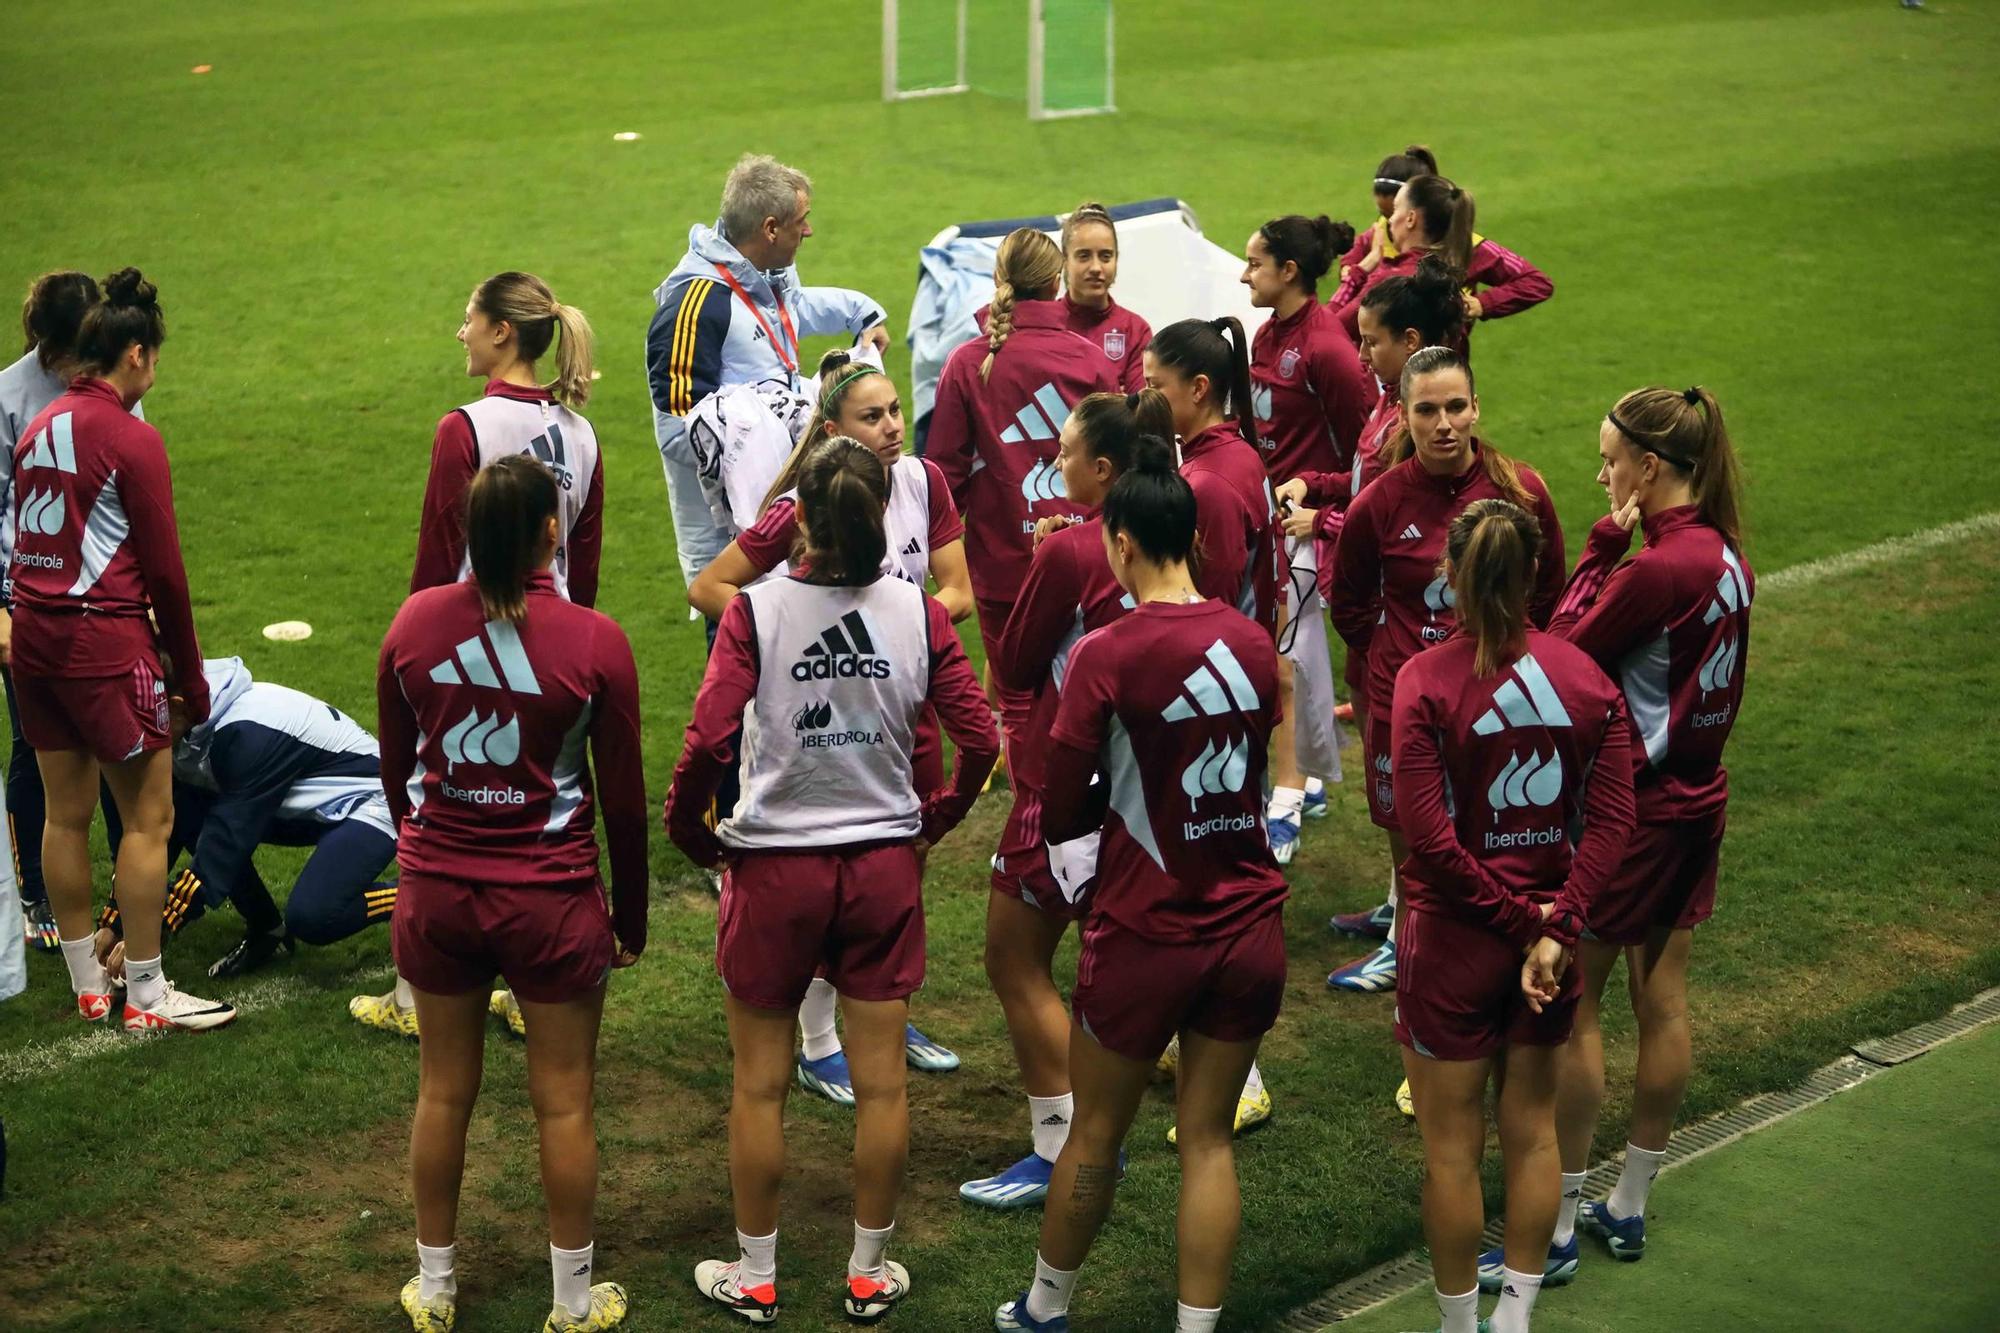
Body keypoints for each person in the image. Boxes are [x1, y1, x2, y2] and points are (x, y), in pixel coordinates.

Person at [664, 436, 998, 1326]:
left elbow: (704, 741)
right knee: (883, 1085)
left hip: (775, 868)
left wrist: (694, 839)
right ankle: (866, 1272)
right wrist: (936, 819)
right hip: (882, 867)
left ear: (798, 518)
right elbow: (984, 739)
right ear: (884, 513)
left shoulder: (755, 610)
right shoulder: (919, 612)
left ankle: (758, 1276)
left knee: (759, 1084)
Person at [991, 448, 1285, 1333]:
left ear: (1119, 544)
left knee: (1095, 1137)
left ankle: (1046, 1307)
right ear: (1191, 538)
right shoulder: (1253, 642)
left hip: (1145, 932)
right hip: (1248, 924)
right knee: (1207, 1138)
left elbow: (1063, 793)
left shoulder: (1106, 654)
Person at [1474, 387, 1750, 1289]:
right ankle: (1627, 1203)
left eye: (1612, 460)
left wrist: (1597, 548)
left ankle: (1553, 1226)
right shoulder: (1726, 553)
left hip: (1634, 810)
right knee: (1661, 998)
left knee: (1574, 1008)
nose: (1604, 473)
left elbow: (1558, 650)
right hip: (1701, 798)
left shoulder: (1656, 570)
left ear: (1653, 469)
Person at [380, 455, 647, 1333]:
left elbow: (396, 773)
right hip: (551, 899)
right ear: (547, 531)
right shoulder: (596, 641)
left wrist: (427, 853)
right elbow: (623, 801)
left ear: (465, 530)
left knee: (441, 1091)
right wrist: (631, 916)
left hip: (439, 893)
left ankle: (436, 1287)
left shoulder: (414, 625)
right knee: (564, 1098)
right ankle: (572, 1302)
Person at [690, 349, 973, 1101]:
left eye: (894, 412)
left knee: (895, 872)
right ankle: (819, 1041)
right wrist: (787, 639)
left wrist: (900, 637)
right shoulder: (801, 508)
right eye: (871, 417)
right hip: (831, 710)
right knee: (825, 859)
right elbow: (710, 585)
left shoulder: (922, 481)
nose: (890, 428)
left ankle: (874, 1008)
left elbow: (960, 588)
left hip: (904, 711)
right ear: (833, 432)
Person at [1391, 498, 1636, 1333]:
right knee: (1533, 1135)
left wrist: (1514, 921)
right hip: (1547, 953)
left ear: (1450, 576)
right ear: (1535, 576)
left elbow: (1426, 836)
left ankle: (1461, 1326)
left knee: (1452, 1152)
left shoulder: (1422, 680)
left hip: (1455, 943)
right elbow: (1611, 823)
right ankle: (1516, 1318)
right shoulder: (1586, 679)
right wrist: (1555, 926)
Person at [7, 267, 233, 1033]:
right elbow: (165, 573)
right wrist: (190, 679)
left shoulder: (39, 427)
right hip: (103, 645)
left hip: (32, 644)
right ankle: (145, 993)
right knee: (148, 818)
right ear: (134, 354)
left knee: (64, 817)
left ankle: (86, 985)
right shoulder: (132, 438)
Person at [1326, 346, 1565, 998]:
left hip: (1494, 705)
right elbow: (1348, 601)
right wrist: (1395, 662)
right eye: (1427, 409)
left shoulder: (1520, 490)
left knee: (1488, 837)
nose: (1444, 424)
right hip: (1407, 704)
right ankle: (1406, 949)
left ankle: (1478, 958)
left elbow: (1549, 596)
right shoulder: (1378, 502)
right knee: (1411, 839)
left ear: (1476, 407)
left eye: (1456, 406)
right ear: (1403, 415)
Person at [961, 392, 1148, 1208]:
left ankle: (1067, 1144)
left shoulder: (1072, 553)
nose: (1053, 463)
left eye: (1065, 452)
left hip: (1064, 785)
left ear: (1101, 470)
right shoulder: (1173, 537)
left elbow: (1018, 657)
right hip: (1146, 788)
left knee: (1014, 954)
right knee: (1117, 962)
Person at [1279, 256, 1468, 941]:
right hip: (1374, 626)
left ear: (1410, 343)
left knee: (1408, 793)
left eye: (1371, 340)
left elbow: (1397, 522)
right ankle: (1400, 907)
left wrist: (1320, 521)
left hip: (1403, 631)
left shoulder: (1412, 421)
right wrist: (1319, 485)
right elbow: (1363, 489)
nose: (1360, 351)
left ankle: (1410, 936)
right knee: (1389, 792)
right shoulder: (1388, 407)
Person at [646, 153, 890, 596]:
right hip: (732, 538)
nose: (809, 230)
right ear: (771, 229)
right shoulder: (696, 303)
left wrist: (862, 312)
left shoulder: (762, 274)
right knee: (743, 646)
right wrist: (773, 428)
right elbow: (678, 432)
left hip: (787, 505)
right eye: (802, 220)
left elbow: (793, 312)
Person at [927, 227, 1122, 772]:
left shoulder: (968, 363)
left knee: (1017, 709)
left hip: (1001, 564)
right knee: (1095, 697)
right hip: (1092, 556)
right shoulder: (1091, 361)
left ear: (998, 280)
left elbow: (945, 474)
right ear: (1057, 280)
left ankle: (1035, 838)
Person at [87, 657, 398, 984]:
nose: (136, 733)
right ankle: (267, 929)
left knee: (314, 916)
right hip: (293, 803)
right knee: (186, 807)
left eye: (141, 719)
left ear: (176, 707)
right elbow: (151, 831)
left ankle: (413, 894)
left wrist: (153, 928)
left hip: (372, 802)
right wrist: (116, 919)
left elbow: (223, 847)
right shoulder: (187, 714)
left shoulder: (246, 735)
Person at [0, 270, 147, 952]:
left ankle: (125, 904)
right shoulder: (8, 395)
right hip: (27, 605)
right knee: (38, 754)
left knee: (126, 753)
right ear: (47, 345)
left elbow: (132, 499)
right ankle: (36, 897)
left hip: (109, 606)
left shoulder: (116, 388)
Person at [1240, 216, 1378, 863]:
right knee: (1273, 661)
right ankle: (1305, 777)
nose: (1244, 274)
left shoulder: (1327, 349)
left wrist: (1313, 494)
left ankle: (1288, 801)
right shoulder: (1268, 335)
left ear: (1288, 271)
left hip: (1311, 539)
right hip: (1268, 526)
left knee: (1289, 666)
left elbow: (1368, 461)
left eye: (1254, 262)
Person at [412, 271, 601, 608]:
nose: (461, 333)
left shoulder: (463, 428)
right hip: (555, 636)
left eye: (469, 320)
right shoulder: (583, 435)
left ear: (500, 332)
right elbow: (583, 567)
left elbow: (439, 556)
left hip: (477, 634)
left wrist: (416, 630)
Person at [1332, 174, 1553, 347]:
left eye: (1396, 208)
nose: (1389, 219)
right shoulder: (1459, 259)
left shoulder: (1392, 279)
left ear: (1411, 218)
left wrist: (1357, 274)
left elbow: (1329, 332)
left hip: (1401, 396)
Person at [1331, 145, 1442, 304]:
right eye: (1383, 214)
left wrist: (1480, 304)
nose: (1389, 221)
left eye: (1394, 212)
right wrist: (1349, 270)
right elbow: (1351, 258)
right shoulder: (1378, 234)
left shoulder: (1457, 242)